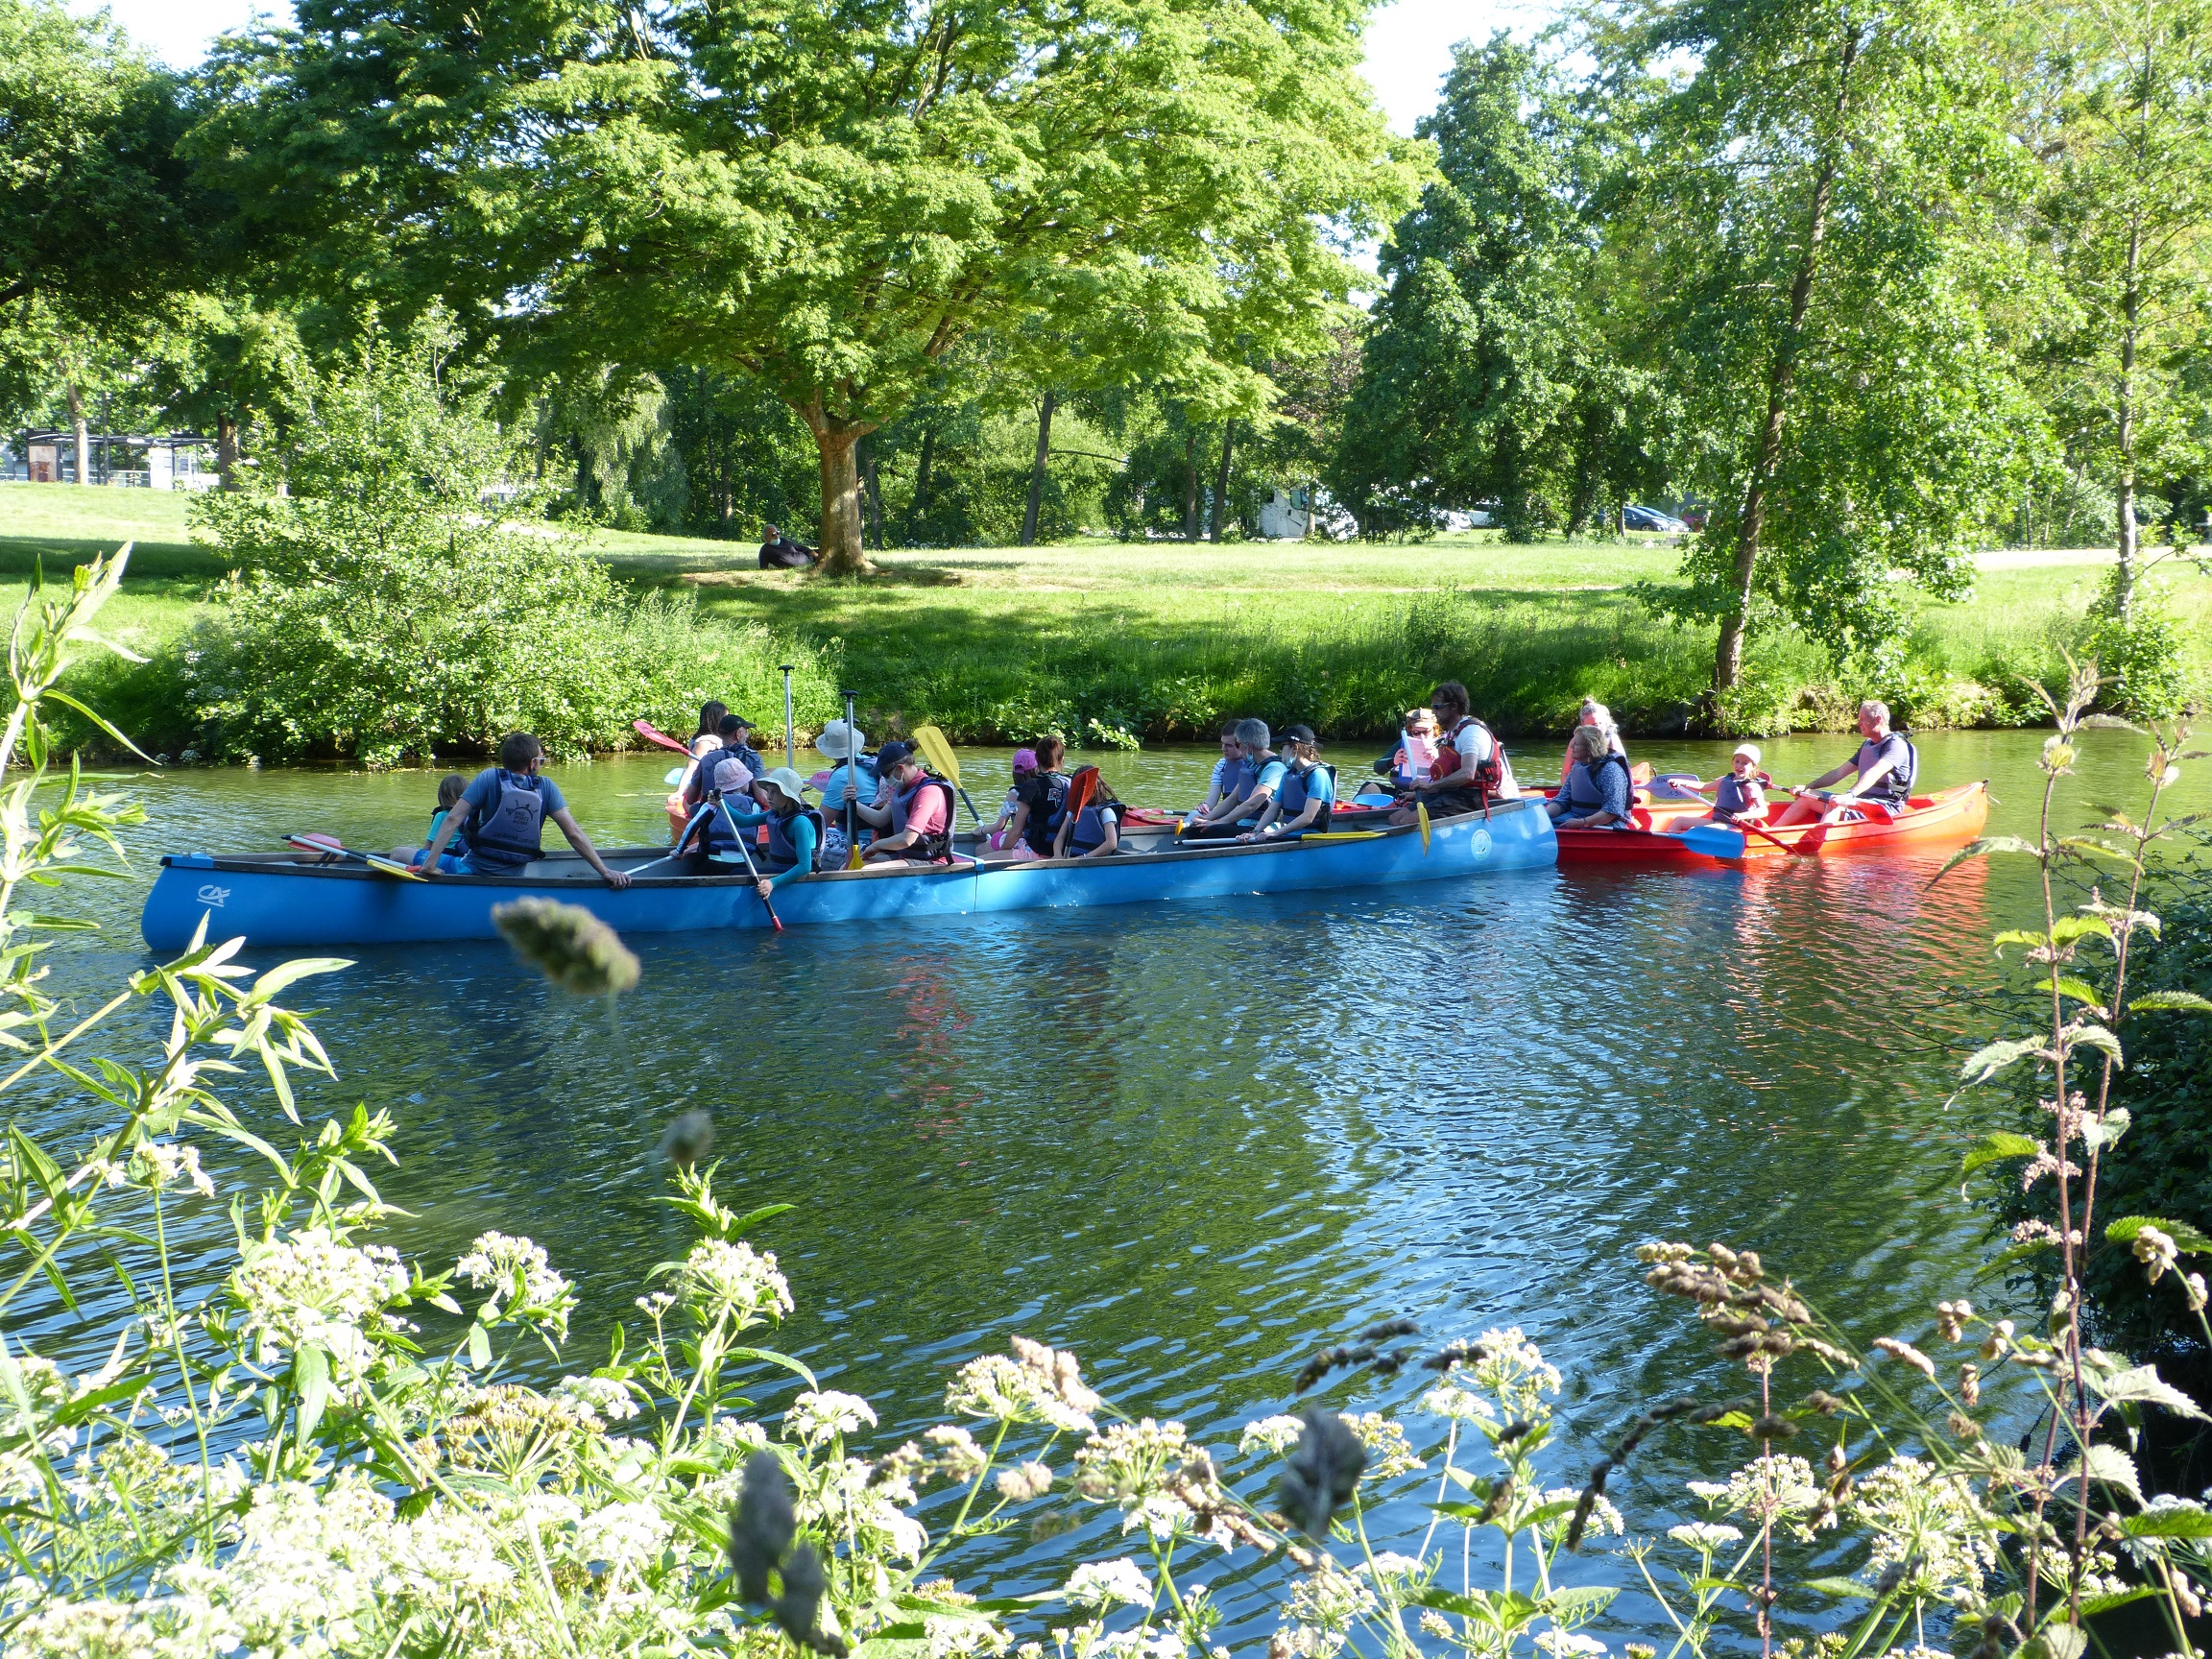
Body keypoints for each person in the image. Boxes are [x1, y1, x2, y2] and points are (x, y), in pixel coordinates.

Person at [418, 732, 633, 886]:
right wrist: (605, 871)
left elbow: (453, 818)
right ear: (532, 763)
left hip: (475, 869)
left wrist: (430, 864)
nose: (541, 763)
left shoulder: (488, 777)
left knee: (399, 853)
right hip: (515, 872)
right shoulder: (546, 787)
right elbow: (574, 834)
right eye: (541, 759)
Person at [1771, 700, 1918, 828]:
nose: (1858, 723)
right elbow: (1838, 773)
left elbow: (1875, 772)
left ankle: (1819, 850)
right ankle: (1772, 832)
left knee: (1835, 804)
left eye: (1862, 719)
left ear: (1878, 719)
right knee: (1806, 797)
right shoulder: (1868, 745)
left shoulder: (1896, 745)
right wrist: (1808, 787)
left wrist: (1849, 796)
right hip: (1862, 801)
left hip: (1886, 806)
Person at [1391, 683, 1520, 825]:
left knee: (1407, 822)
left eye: (1437, 707)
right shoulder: (1453, 733)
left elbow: (1467, 774)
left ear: (1454, 706)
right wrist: (1423, 792)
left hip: (1470, 797)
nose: (1433, 712)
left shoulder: (1471, 733)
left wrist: (1430, 786)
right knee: (1395, 818)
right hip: (1450, 792)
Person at [719, 768, 824, 898]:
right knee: (736, 872)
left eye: (775, 792)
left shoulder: (800, 822)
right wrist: (721, 802)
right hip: (780, 870)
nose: (768, 797)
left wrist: (772, 883)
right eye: (768, 791)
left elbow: (805, 866)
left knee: (737, 872)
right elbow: (743, 821)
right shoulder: (775, 814)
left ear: (789, 797)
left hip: (794, 876)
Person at [853, 739, 957, 864]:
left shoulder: (928, 792)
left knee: (864, 870)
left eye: (886, 774)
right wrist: (852, 802)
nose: (885, 779)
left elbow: (907, 839)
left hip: (932, 862)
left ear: (900, 769)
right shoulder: (904, 787)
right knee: (854, 865)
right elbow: (879, 819)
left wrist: (876, 845)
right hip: (906, 856)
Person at [1186, 718, 1283, 839]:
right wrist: (1206, 818)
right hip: (1242, 823)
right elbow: (1233, 799)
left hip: (1260, 827)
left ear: (1249, 746)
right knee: (1196, 829)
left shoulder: (1274, 768)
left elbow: (1252, 804)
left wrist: (1219, 822)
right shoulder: (1252, 765)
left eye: (1238, 744)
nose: (1238, 748)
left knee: (1214, 831)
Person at [1242, 727, 1336, 841]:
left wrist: (1276, 833)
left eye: (1282, 746)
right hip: (1289, 833)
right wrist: (1255, 832)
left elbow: (1308, 817)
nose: (1280, 751)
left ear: (1295, 747)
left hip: (1309, 835)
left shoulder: (1318, 775)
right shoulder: (1288, 774)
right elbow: (1273, 809)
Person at [815, 718, 878, 864]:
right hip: (879, 838)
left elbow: (820, 824)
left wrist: (798, 799)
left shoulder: (842, 776)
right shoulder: (871, 761)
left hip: (862, 844)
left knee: (804, 846)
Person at [1549, 725, 1634, 830]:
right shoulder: (1577, 766)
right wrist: (1544, 816)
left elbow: (1613, 810)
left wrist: (1582, 822)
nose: (1572, 747)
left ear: (1590, 748)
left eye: (1576, 744)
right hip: (1577, 818)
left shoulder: (1610, 769)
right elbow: (1562, 799)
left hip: (1608, 824)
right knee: (1544, 825)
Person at [1672, 744, 1769, 829]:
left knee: (1706, 830)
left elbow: (1763, 811)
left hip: (1735, 827)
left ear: (1753, 767)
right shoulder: (1725, 780)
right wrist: (1681, 782)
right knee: (1679, 821)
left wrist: (1742, 816)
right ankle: (1669, 842)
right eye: (1737, 761)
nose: (1739, 765)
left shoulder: (1752, 787)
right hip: (1716, 822)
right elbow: (1704, 787)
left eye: (1745, 763)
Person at [1005, 735, 1071, 857]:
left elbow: (1016, 831)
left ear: (1037, 758)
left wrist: (1002, 850)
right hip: (1062, 852)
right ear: (1062, 759)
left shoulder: (1031, 785)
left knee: (980, 851)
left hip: (1036, 851)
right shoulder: (1071, 783)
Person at [393, 773, 471, 870]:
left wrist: (421, 861)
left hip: (443, 856)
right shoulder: (471, 816)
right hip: (462, 857)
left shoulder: (442, 815)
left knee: (396, 853)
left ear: (442, 796)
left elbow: (429, 845)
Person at [1050, 766, 1123, 857]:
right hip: (1072, 858)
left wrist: (1085, 857)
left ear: (1095, 787)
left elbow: (1111, 843)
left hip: (1094, 862)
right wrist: (1057, 854)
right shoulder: (1073, 811)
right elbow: (1060, 837)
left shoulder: (1105, 812)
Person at [984, 748, 1041, 855]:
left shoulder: (1014, 793)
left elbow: (998, 826)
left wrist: (982, 830)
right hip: (1041, 841)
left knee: (981, 848)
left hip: (1025, 841)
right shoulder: (1045, 787)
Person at [1372, 708, 1439, 796]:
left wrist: (1438, 759)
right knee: (1369, 787)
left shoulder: (1444, 744)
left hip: (1429, 795)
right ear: (1410, 730)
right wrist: (1393, 761)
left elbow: (1454, 777)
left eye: (1426, 732)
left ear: (1435, 729)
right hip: (1401, 793)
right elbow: (1377, 768)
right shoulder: (1402, 744)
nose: (1421, 737)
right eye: (1416, 733)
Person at [1559, 699, 1628, 783]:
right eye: (1594, 725)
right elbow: (1565, 773)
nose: (1598, 728)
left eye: (1601, 723)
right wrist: (1568, 792)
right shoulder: (1575, 741)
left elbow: (1622, 773)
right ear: (1583, 725)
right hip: (1579, 788)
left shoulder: (1612, 740)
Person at [1199, 721, 1242, 815]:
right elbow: (1211, 800)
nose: (1223, 748)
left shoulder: (1255, 765)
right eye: (1222, 744)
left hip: (1248, 817)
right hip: (1227, 815)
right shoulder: (1221, 765)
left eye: (1229, 745)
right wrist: (1204, 806)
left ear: (1242, 744)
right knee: (1196, 814)